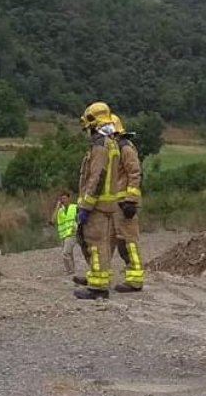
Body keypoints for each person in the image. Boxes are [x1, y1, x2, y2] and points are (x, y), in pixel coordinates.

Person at [73, 102, 122, 300]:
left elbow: (96, 177)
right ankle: (96, 279)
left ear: (93, 124)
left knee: (96, 243)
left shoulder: (100, 146)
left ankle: (98, 287)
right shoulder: (111, 144)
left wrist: (86, 205)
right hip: (107, 203)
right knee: (100, 243)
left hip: (98, 205)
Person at [110, 115, 144, 292]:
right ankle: (99, 274)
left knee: (129, 241)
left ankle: (135, 278)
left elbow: (134, 173)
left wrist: (130, 200)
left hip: (124, 205)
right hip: (115, 203)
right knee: (109, 240)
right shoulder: (114, 147)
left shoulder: (125, 147)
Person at [51, 192, 80, 276]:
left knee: (65, 253)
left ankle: (70, 271)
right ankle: (72, 270)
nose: (63, 200)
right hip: (63, 235)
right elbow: (52, 221)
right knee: (69, 253)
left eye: (64, 198)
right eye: (61, 199)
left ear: (68, 198)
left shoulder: (74, 207)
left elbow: (79, 217)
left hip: (72, 233)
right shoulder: (60, 210)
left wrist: (77, 227)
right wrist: (57, 207)